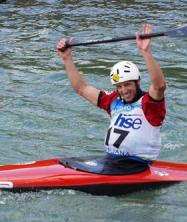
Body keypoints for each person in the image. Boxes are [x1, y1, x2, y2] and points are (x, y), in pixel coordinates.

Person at [56, 24, 166, 163]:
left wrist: (145, 52)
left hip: (137, 165)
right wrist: (67, 59)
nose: (124, 90)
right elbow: (81, 89)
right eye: (119, 86)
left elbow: (159, 86)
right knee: (66, 163)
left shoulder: (148, 104)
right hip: (111, 160)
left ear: (137, 82)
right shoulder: (114, 100)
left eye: (127, 84)